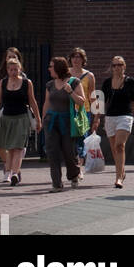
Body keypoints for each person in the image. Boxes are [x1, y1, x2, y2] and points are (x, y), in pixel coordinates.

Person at [0, 54, 41, 186]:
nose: (13, 72)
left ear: (20, 69)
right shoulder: (3, 82)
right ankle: (9, 171)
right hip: (6, 118)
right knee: (8, 148)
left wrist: (38, 119)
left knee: (17, 147)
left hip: (21, 119)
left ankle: (14, 173)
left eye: (15, 69)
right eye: (10, 69)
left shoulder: (27, 83)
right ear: (7, 69)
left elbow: (33, 102)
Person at [42, 56, 87, 191]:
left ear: (58, 68)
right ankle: (56, 183)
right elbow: (47, 103)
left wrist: (70, 92)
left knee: (69, 152)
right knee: (52, 152)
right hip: (51, 122)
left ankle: (74, 175)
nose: (49, 69)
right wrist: (42, 119)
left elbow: (81, 101)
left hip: (67, 121)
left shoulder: (74, 82)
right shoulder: (50, 85)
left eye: (51, 66)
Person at [100, 56, 134, 188]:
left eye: (120, 65)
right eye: (114, 65)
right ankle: (121, 171)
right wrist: (96, 118)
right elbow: (101, 101)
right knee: (113, 148)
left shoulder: (130, 82)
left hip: (125, 116)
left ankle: (118, 178)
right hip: (110, 117)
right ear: (111, 67)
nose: (117, 67)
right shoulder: (106, 83)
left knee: (119, 145)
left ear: (124, 66)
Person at [69, 48, 96, 167]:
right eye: (73, 56)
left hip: (84, 111)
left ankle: (79, 166)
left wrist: (97, 117)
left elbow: (93, 96)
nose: (76, 59)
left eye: (78, 57)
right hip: (69, 111)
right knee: (70, 140)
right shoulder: (66, 73)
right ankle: (74, 163)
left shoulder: (89, 76)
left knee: (82, 139)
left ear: (83, 59)